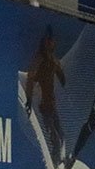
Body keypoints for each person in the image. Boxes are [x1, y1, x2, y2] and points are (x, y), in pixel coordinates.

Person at [24, 27, 66, 161]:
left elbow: (58, 70)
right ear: (46, 42)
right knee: (54, 137)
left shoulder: (52, 59)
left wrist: (62, 77)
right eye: (50, 41)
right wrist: (29, 99)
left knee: (61, 135)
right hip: (43, 105)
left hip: (51, 103)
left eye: (53, 42)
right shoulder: (40, 58)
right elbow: (31, 77)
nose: (53, 44)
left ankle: (61, 161)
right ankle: (54, 163)